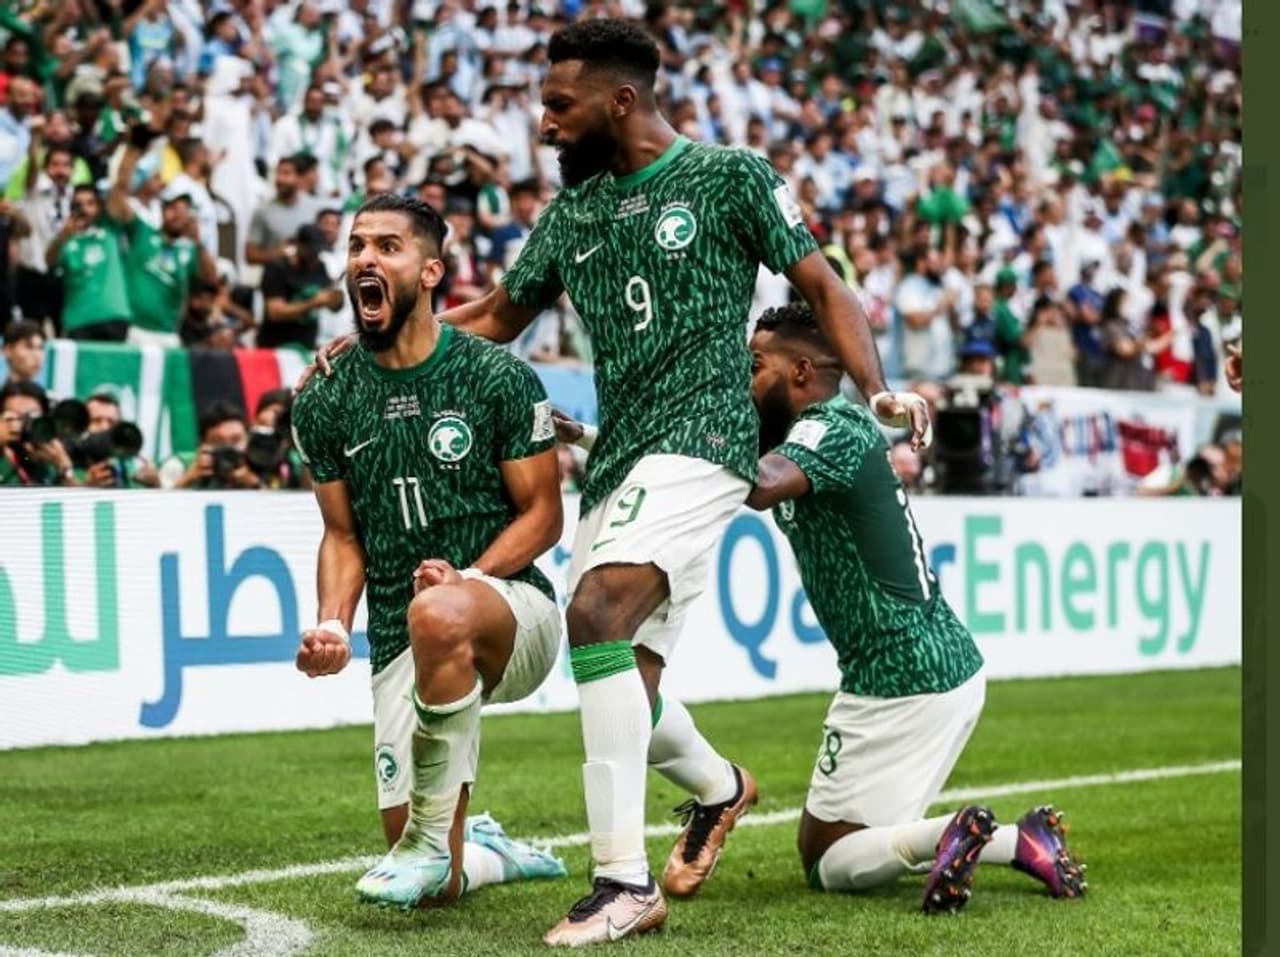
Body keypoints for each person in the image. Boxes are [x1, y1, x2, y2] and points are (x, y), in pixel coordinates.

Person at [306, 20, 929, 945]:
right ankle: (720, 787)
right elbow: (500, 313)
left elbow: (826, 286)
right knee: (619, 672)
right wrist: (377, 337)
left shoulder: (729, 177)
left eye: (561, 106)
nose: (545, 124)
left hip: (705, 438)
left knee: (596, 612)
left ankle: (622, 883)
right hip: (620, 461)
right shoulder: (573, 215)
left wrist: (876, 390)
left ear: (621, 100)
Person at [744, 302, 1085, 912]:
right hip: (934, 664)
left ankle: (949, 832)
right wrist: (594, 438)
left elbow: (759, 485)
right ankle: (1023, 840)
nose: (746, 380)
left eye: (755, 365)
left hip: (898, 674)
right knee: (861, 841)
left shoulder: (831, 428)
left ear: (800, 372)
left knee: (827, 861)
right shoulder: (816, 431)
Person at [290, 193, 568, 910]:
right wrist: (332, 623)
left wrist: (469, 577)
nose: (365, 259)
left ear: (431, 271)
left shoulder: (496, 375)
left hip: (513, 611)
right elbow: (343, 535)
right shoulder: (324, 398)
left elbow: (544, 516)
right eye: (357, 246)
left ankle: (430, 842)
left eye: (388, 246)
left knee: (441, 611)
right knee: (434, 887)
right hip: (399, 633)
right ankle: (483, 850)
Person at [0, 379, 78, 486]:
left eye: (33, 417)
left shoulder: (50, 454)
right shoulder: (5, 455)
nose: (24, 425)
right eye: (15, 417)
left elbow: (72, 494)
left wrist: (64, 469)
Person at [2, 318, 43, 386]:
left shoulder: (40, 391)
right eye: (28, 347)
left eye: (40, 348)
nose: (37, 356)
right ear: (8, 350)